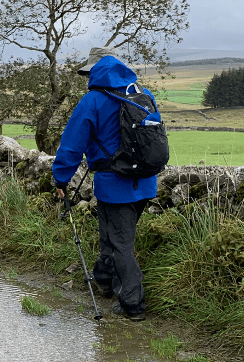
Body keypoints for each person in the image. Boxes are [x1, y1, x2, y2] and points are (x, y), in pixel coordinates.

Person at [51, 47, 158, 321]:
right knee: (112, 235)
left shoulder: (92, 101)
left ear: (95, 72)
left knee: (121, 243)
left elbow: (72, 146)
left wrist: (61, 178)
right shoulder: (143, 95)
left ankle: (133, 304)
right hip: (145, 182)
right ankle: (105, 281)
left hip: (114, 184)